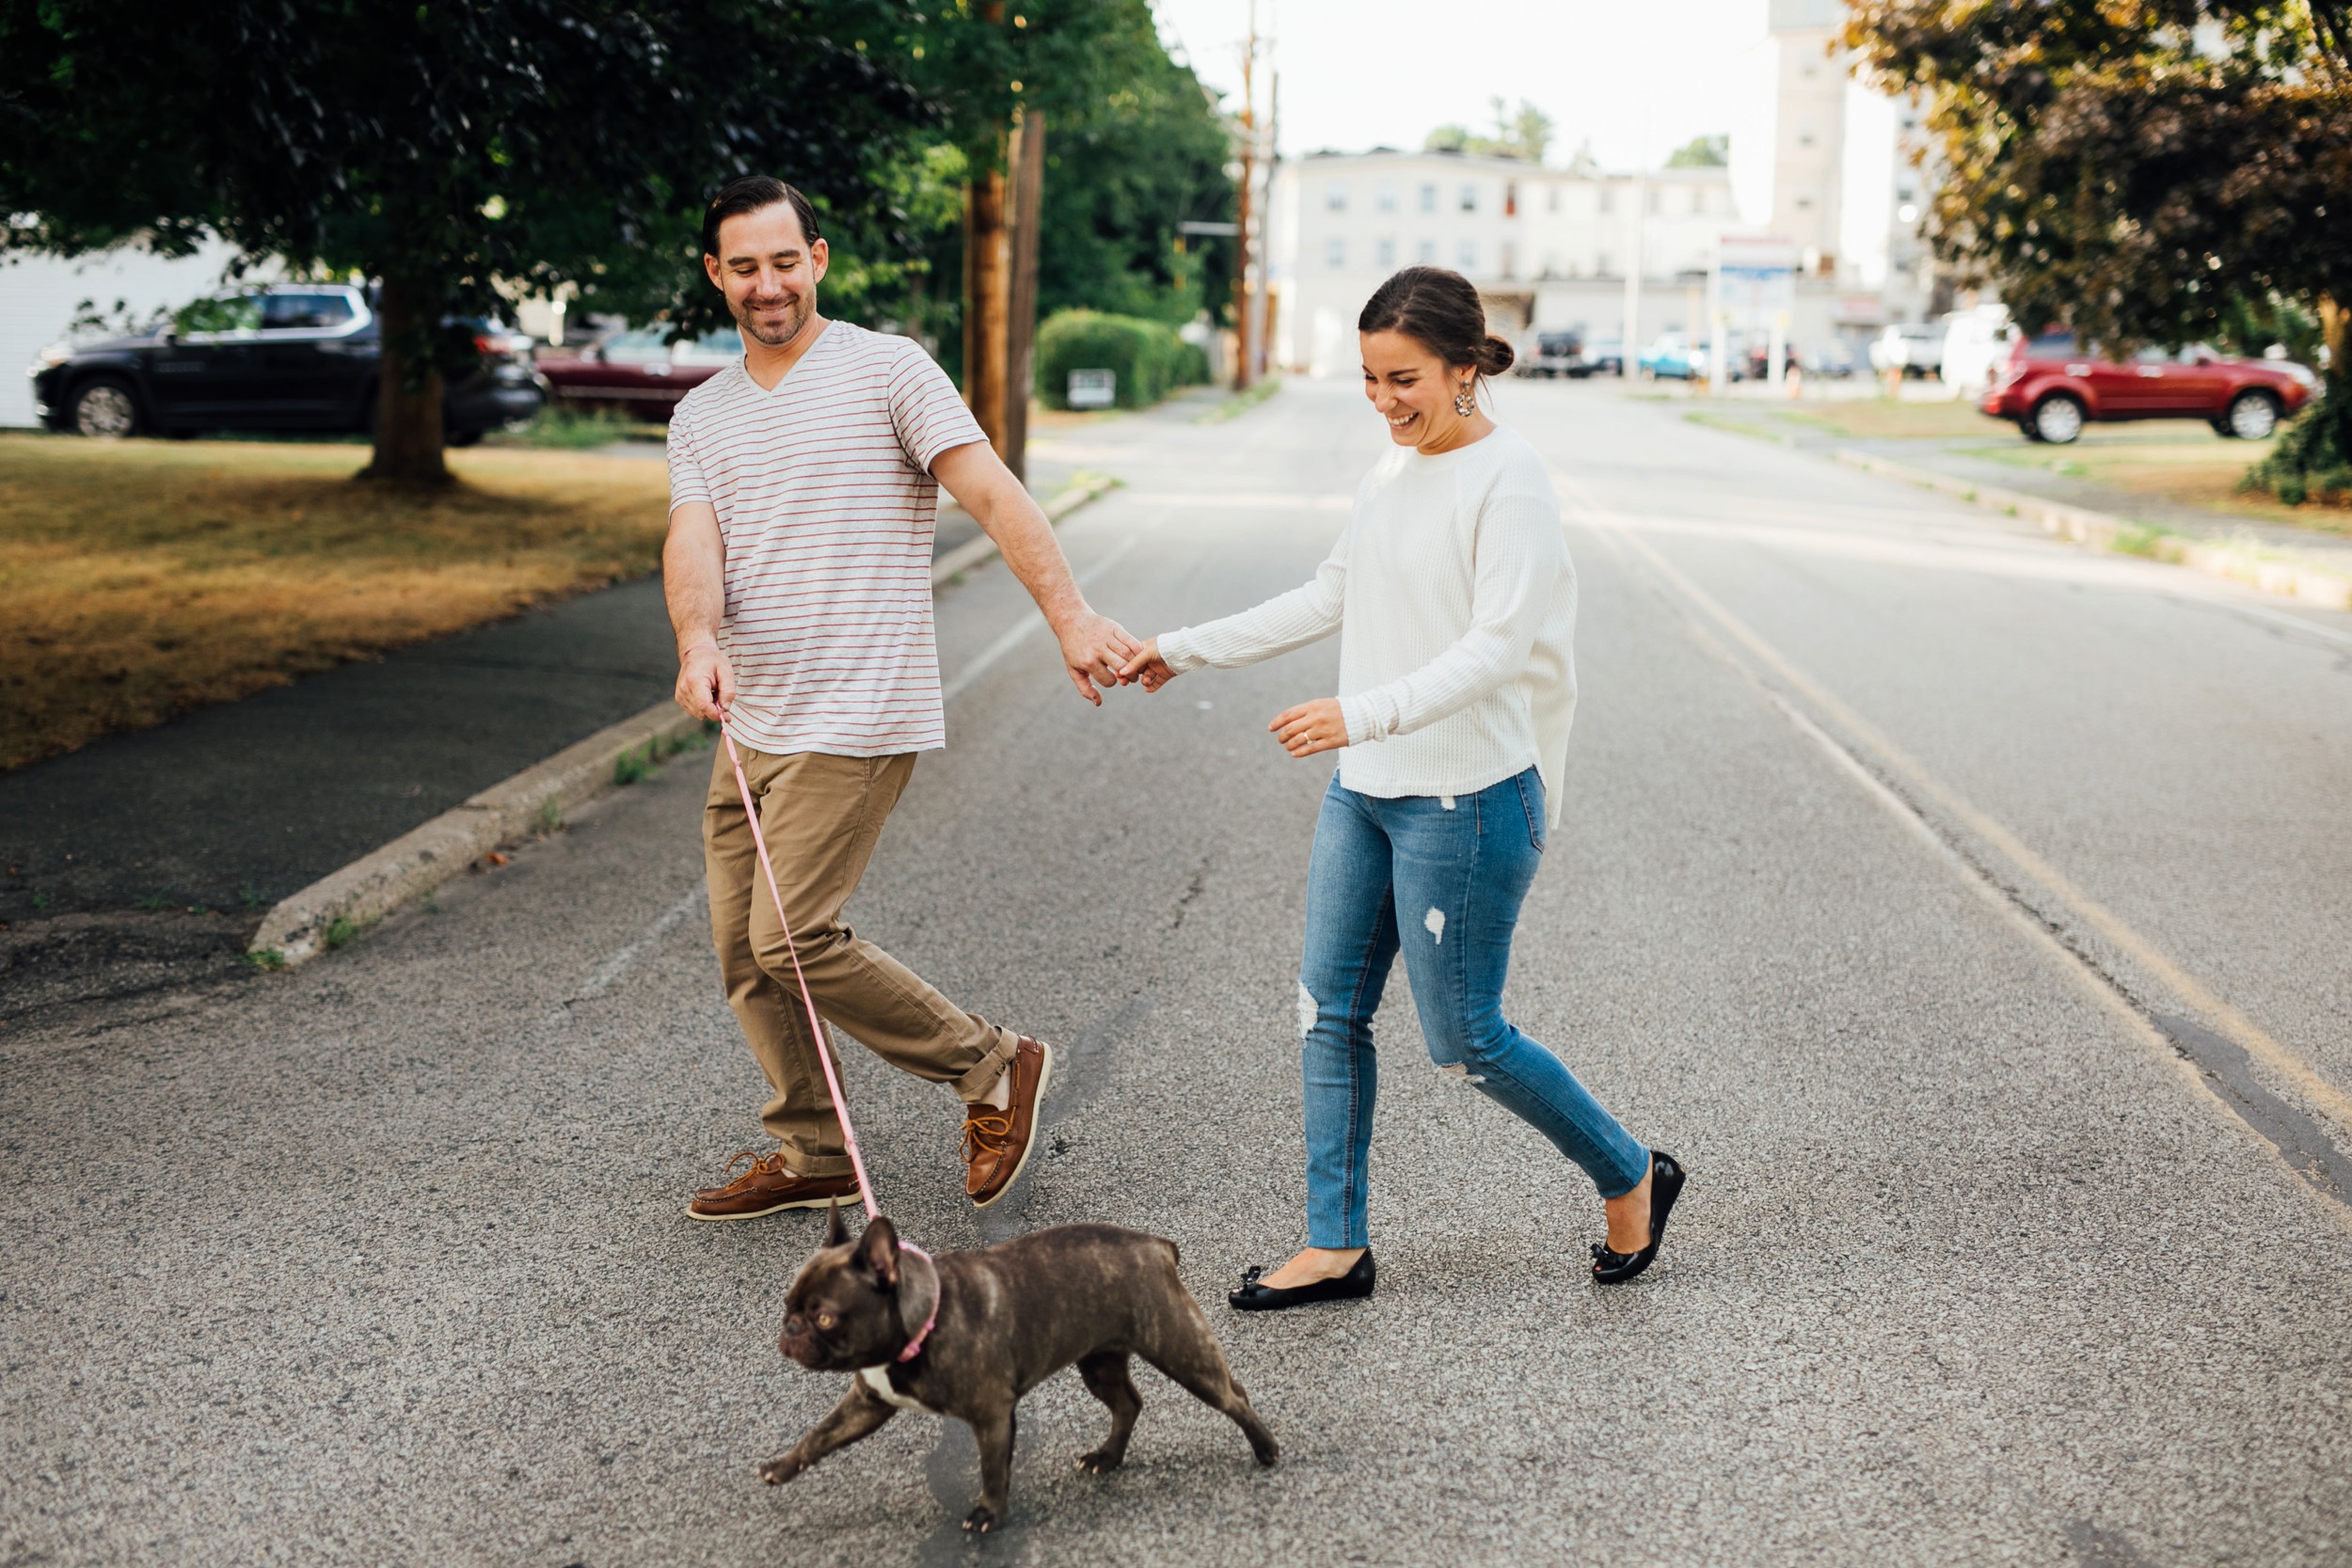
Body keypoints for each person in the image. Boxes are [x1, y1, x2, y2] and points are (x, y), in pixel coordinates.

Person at [1118, 267, 1686, 1307]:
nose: (1384, 401)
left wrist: (1361, 710)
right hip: (1366, 792)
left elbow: (1496, 647)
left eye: (1404, 379)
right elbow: (1331, 590)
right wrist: (1178, 648)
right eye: (1370, 379)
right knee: (1326, 1012)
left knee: (1463, 1039)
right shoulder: (1391, 470)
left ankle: (1628, 1168)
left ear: (1466, 368)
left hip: (1466, 799)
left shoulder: (1509, 479)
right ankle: (1335, 1243)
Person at [664, 175, 1138, 1220]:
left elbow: (990, 491)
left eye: (784, 261)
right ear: (716, 275)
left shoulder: (886, 370)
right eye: (743, 266)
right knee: (743, 949)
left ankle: (991, 1064)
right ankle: (811, 1146)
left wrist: (1068, 616)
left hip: (858, 708)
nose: (767, 284)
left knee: (792, 935)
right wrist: (697, 638)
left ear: (818, 259)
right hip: (758, 715)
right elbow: (692, 536)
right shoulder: (701, 414)